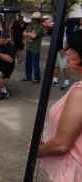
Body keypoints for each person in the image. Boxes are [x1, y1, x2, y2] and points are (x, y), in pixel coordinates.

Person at [39, 30, 82, 182]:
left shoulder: (79, 93)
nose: (67, 52)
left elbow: (61, 145)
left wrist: (38, 150)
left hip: (72, 171)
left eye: (73, 49)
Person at [22, 12, 45, 83]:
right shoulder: (30, 25)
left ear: (38, 20)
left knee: (35, 64)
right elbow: (23, 33)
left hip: (35, 48)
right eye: (33, 18)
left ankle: (37, 78)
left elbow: (34, 36)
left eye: (35, 19)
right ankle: (28, 77)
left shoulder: (40, 27)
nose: (33, 20)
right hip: (28, 47)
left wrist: (28, 34)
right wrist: (30, 34)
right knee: (28, 64)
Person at [52, 26, 71, 90]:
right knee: (56, 65)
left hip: (64, 49)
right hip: (58, 48)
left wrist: (64, 49)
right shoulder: (59, 25)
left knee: (66, 66)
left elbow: (69, 39)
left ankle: (67, 82)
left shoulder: (69, 26)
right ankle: (55, 80)